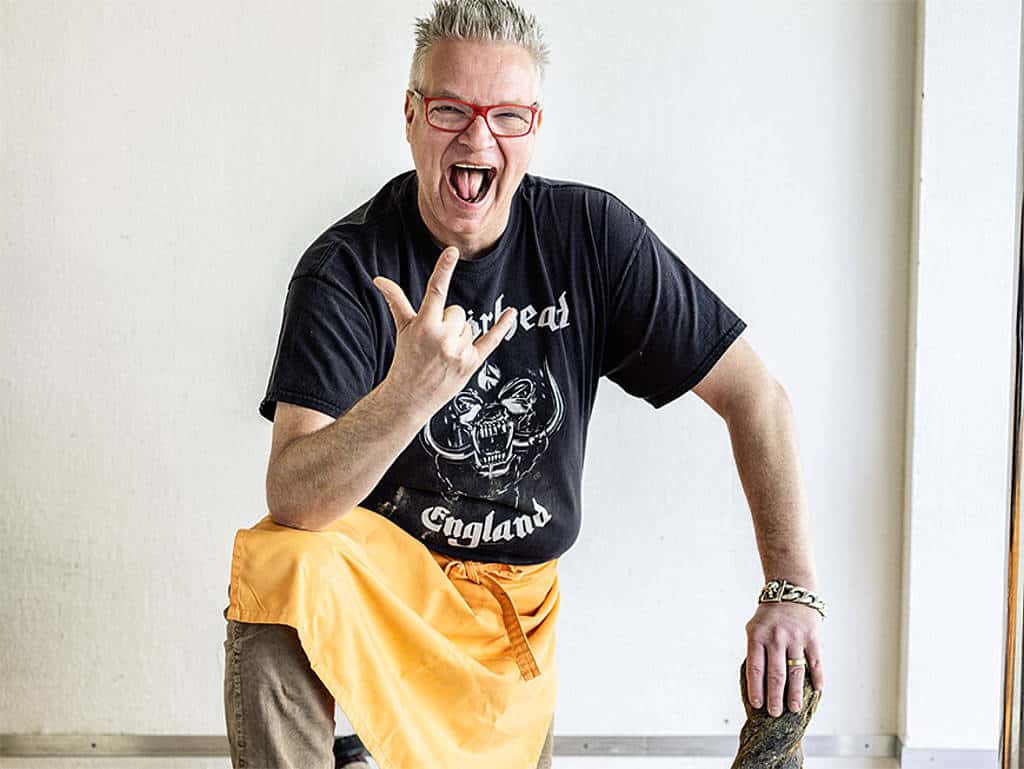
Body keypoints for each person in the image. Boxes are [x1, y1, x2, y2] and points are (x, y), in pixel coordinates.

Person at [222, 1, 826, 768]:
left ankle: (371, 753)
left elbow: (757, 397)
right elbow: (292, 495)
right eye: (450, 109)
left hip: (513, 621)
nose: (477, 139)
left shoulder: (591, 237)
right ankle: (354, 741)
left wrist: (791, 589)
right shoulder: (346, 269)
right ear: (410, 116)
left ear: (534, 128)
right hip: (386, 602)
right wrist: (410, 394)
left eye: (506, 115)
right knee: (280, 559)